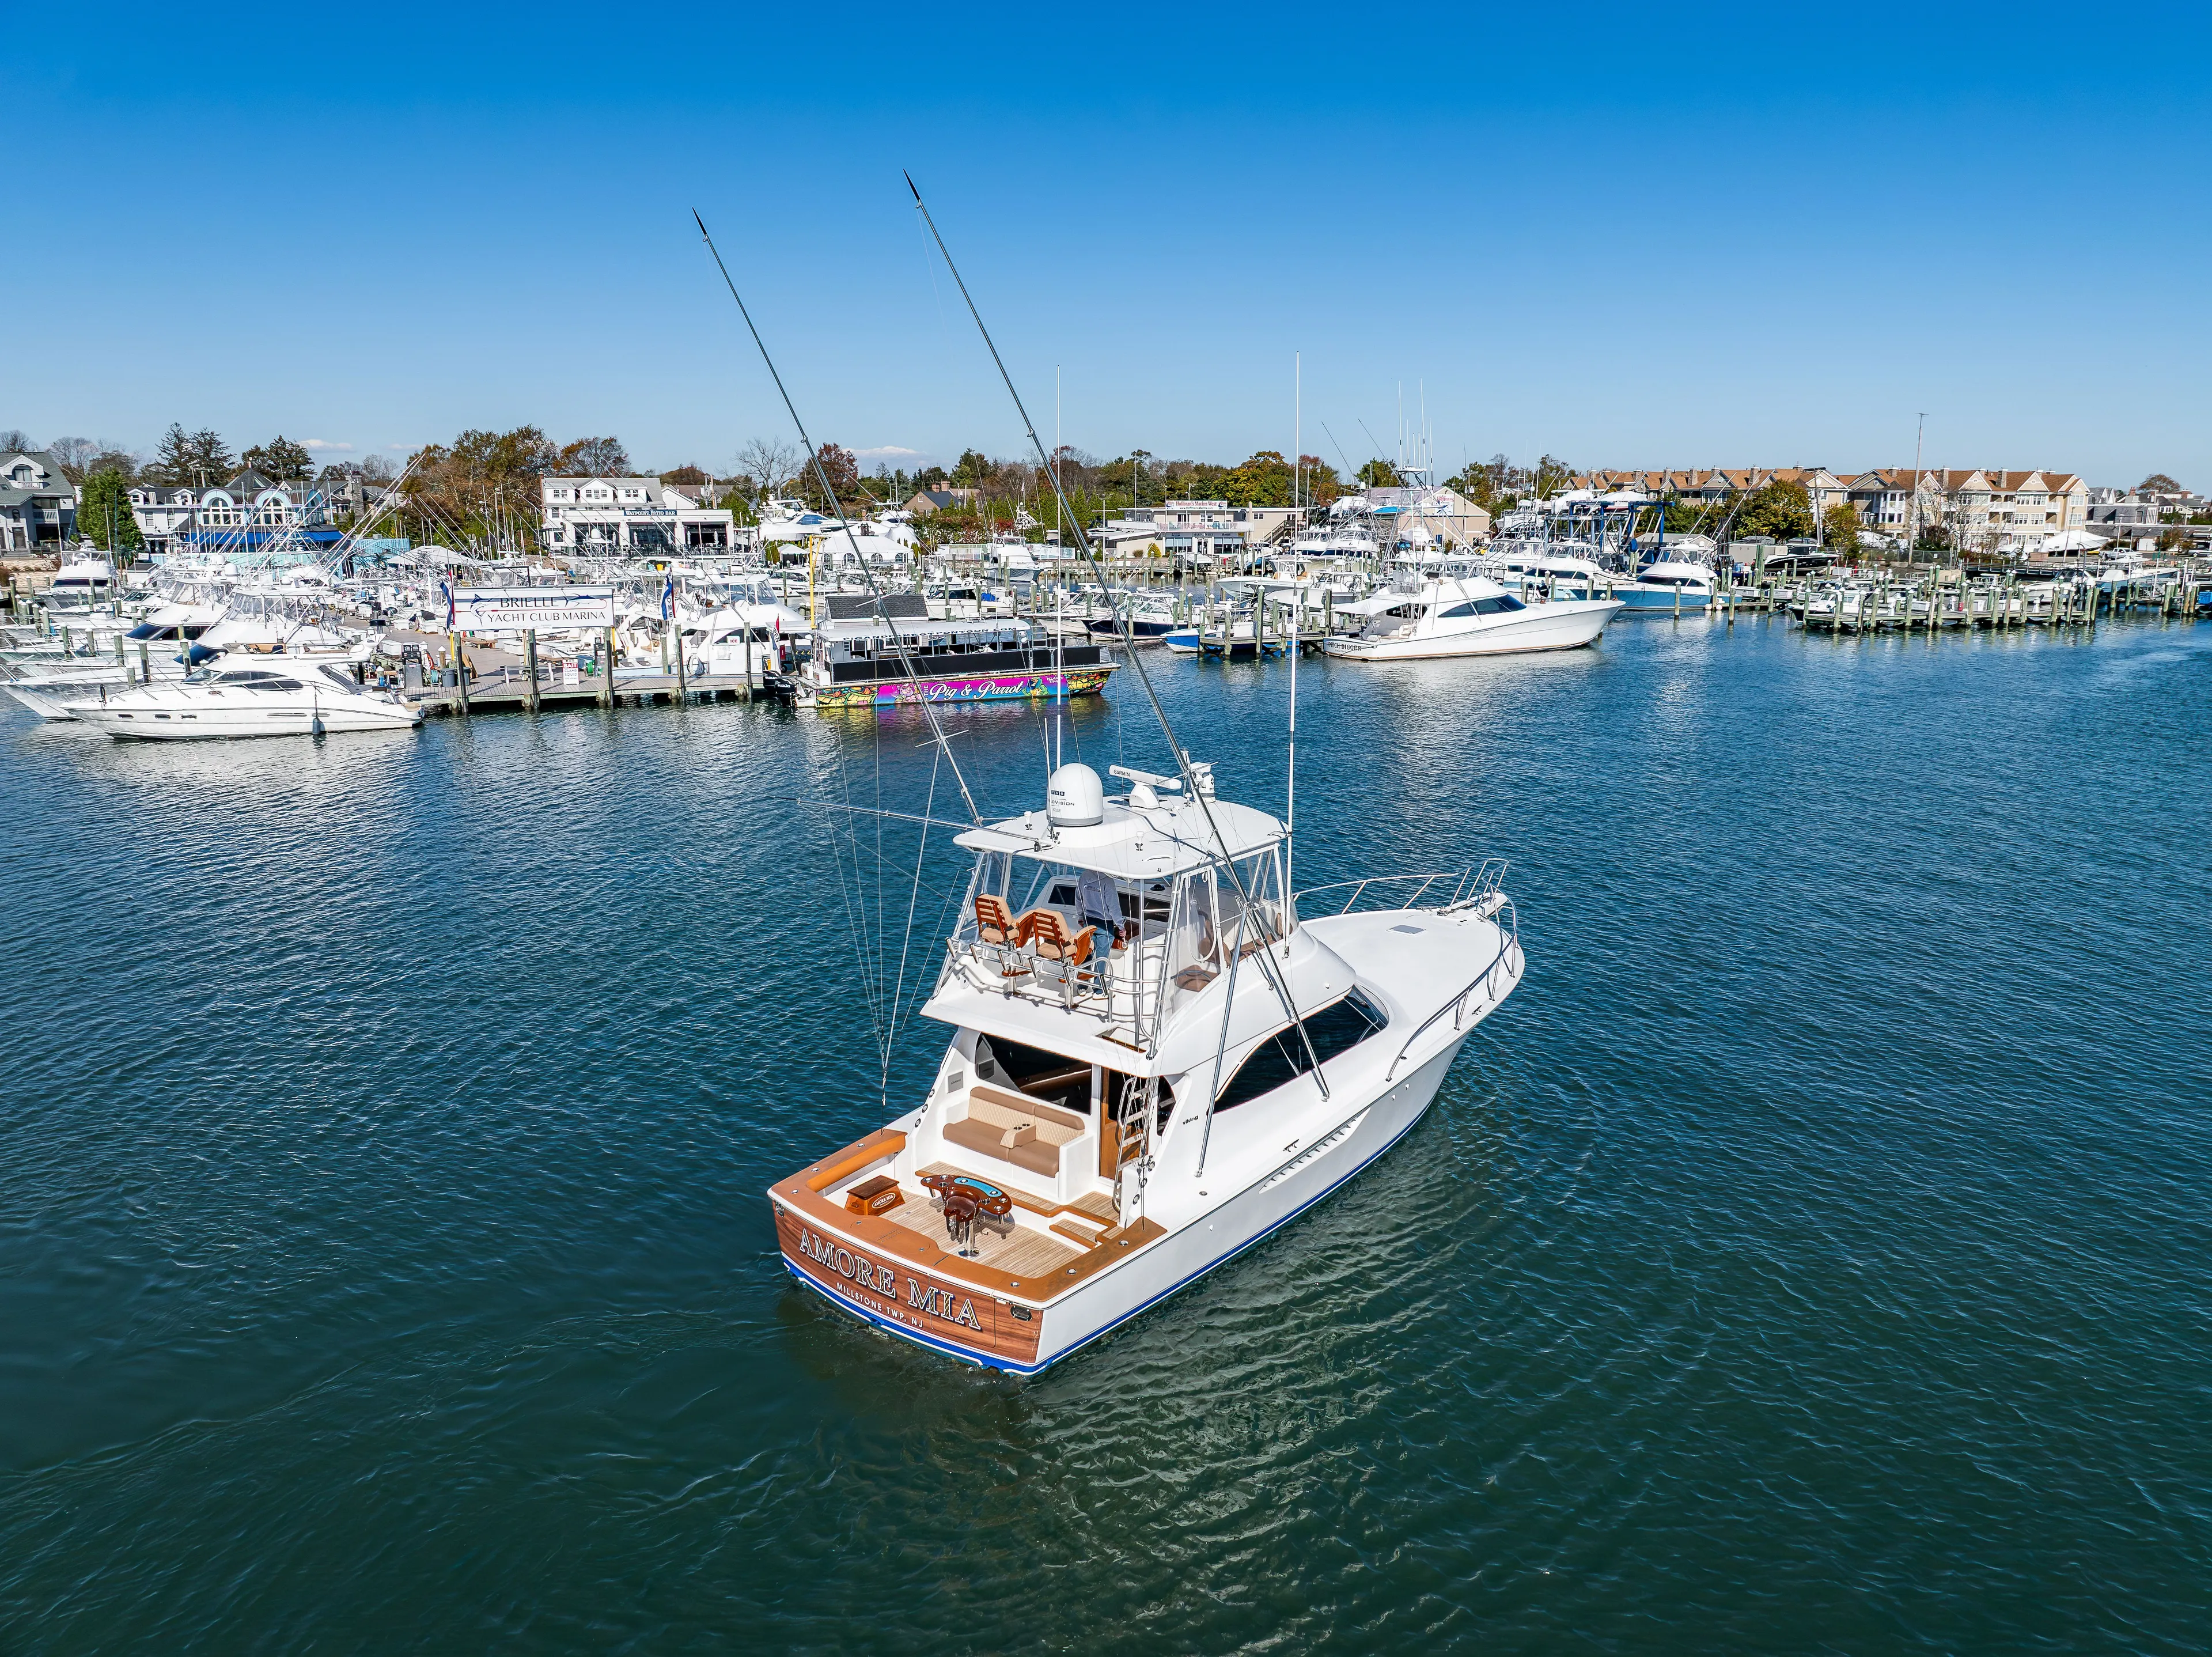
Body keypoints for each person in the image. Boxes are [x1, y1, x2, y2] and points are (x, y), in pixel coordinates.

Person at [1075, 869, 1128, 949]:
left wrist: (1081, 917)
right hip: (1104, 925)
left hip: (1088, 922)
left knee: (1086, 955)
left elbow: (1079, 899)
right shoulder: (1108, 881)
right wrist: (1121, 926)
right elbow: (1113, 907)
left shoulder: (1083, 876)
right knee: (1101, 958)